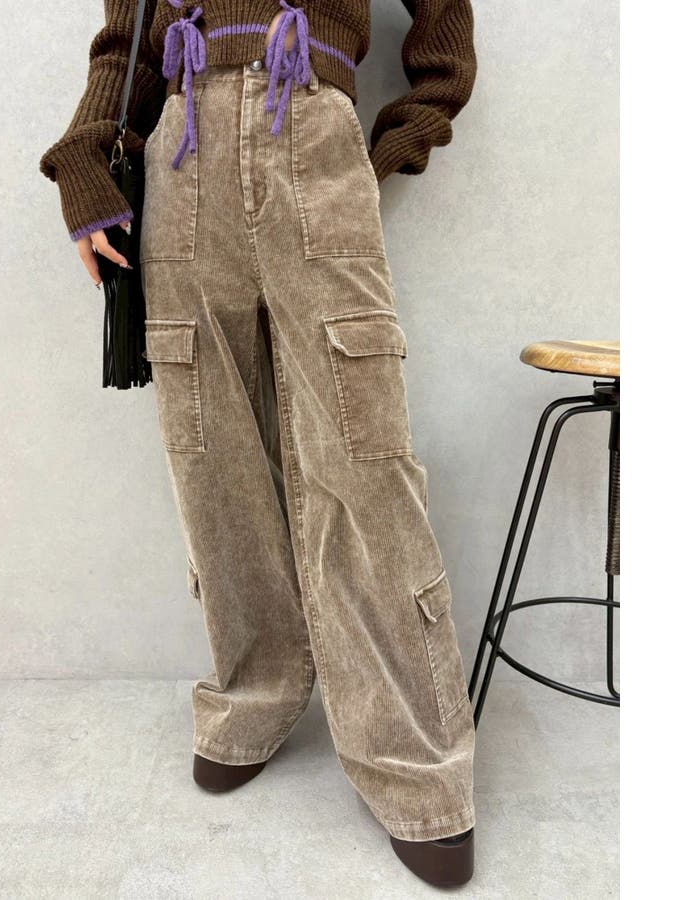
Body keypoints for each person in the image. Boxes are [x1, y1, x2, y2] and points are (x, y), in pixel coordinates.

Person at [40, 0, 478, 887]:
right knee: (210, 455)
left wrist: (387, 141)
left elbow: (444, 27)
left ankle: (418, 765)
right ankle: (255, 695)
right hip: (182, 150)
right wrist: (86, 162)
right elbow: (125, 42)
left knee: (364, 457)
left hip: (313, 130)